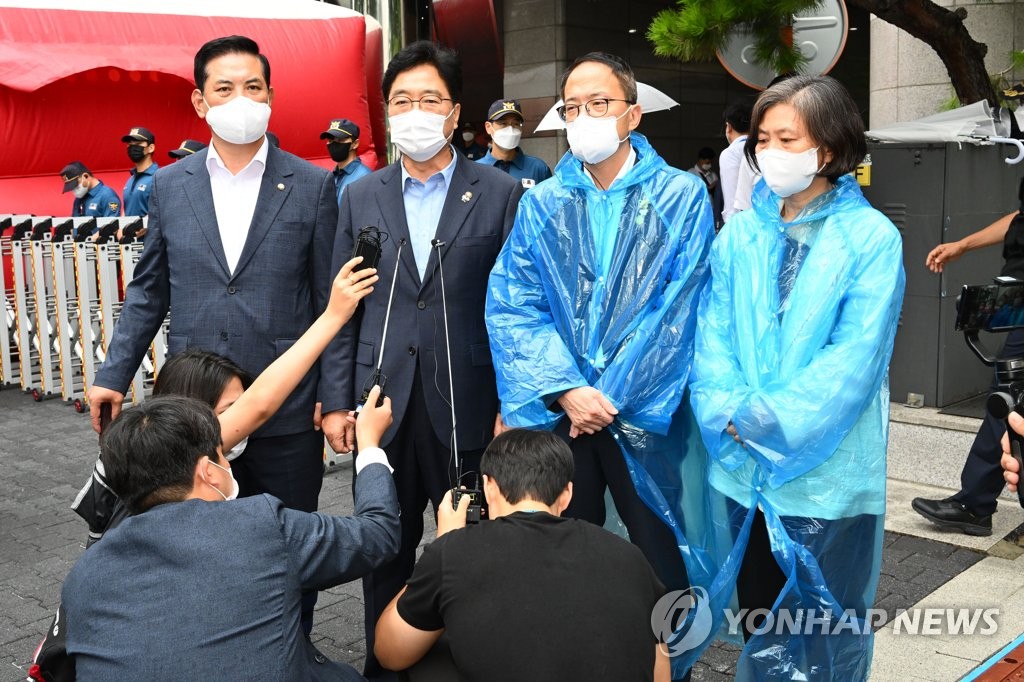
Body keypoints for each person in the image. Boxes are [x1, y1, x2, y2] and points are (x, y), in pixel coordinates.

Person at [85, 34, 339, 635]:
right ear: (200, 102)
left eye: (253, 87)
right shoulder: (172, 187)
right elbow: (150, 289)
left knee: (286, 547)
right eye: (224, 88)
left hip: (286, 409)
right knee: (196, 549)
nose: (241, 99)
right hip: (195, 411)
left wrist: (337, 395)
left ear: (272, 96)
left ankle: (288, 655)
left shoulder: (311, 184)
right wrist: (111, 374)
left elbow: (333, 301)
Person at [485, 52, 712, 680]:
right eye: (573, 107)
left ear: (632, 113)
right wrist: (565, 390)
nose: (584, 116)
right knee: (560, 548)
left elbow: (679, 307)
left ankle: (673, 667)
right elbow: (513, 302)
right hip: (564, 415)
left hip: (645, 414)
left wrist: (603, 395)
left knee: (661, 549)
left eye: (600, 103)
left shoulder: (680, 196)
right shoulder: (544, 203)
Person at [689, 75, 905, 680]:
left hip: (826, 476)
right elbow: (715, 334)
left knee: (823, 626)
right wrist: (725, 408)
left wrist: (758, 419)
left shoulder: (870, 239)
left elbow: (852, 362)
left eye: (789, 138)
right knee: (762, 613)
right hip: (742, 467)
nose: (771, 152)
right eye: (763, 139)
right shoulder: (741, 235)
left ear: (828, 149)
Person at [319, 40, 523, 679]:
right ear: (386, 113)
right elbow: (341, 304)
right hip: (379, 403)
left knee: (473, 550)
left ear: (455, 110)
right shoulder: (360, 196)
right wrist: (334, 400)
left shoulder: (500, 192)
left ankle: (472, 663)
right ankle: (386, 667)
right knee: (383, 549)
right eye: (401, 100)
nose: (414, 111)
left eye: (428, 99)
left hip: (469, 403)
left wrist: (514, 406)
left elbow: (517, 311)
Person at [60, 383, 398, 682]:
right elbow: (377, 534)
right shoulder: (259, 526)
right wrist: (369, 445)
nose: (229, 463)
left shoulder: (85, 574)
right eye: (223, 454)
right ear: (208, 471)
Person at [72, 259, 378, 545]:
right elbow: (261, 403)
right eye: (230, 413)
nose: (240, 427)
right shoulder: (177, 450)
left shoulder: (127, 450)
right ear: (194, 409)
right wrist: (334, 315)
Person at [373, 429, 669, 681]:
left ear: (489, 487)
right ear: (567, 494)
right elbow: (660, 664)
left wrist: (446, 541)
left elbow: (389, 652)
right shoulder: (631, 557)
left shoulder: (453, 552)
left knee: (428, 644)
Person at [912, 208, 1024, 536]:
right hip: (1018, 291)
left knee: (1008, 397)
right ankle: (975, 504)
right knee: (1009, 397)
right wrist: (964, 245)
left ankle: (975, 504)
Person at [476, 98, 552, 189]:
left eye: (516, 124)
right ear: (488, 127)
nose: (510, 129)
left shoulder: (538, 168)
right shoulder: (476, 169)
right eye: (503, 123)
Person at [719, 99, 756, 223]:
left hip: (744, 225)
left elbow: (732, 203)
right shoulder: (761, 147)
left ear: (728, 127)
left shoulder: (730, 154)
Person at [321, 117, 372, 205]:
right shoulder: (331, 177)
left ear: (355, 144)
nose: (334, 144)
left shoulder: (365, 177)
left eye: (340, 140)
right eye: (330, 140)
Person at [121, 126, 158, 216]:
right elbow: (126, 210)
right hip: (128, 230)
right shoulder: (130, 180)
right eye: (129, 144)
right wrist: (121, 228)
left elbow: (161, 212)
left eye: (137, 144)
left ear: (151, 148)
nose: (132, 147)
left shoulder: (158, 177)